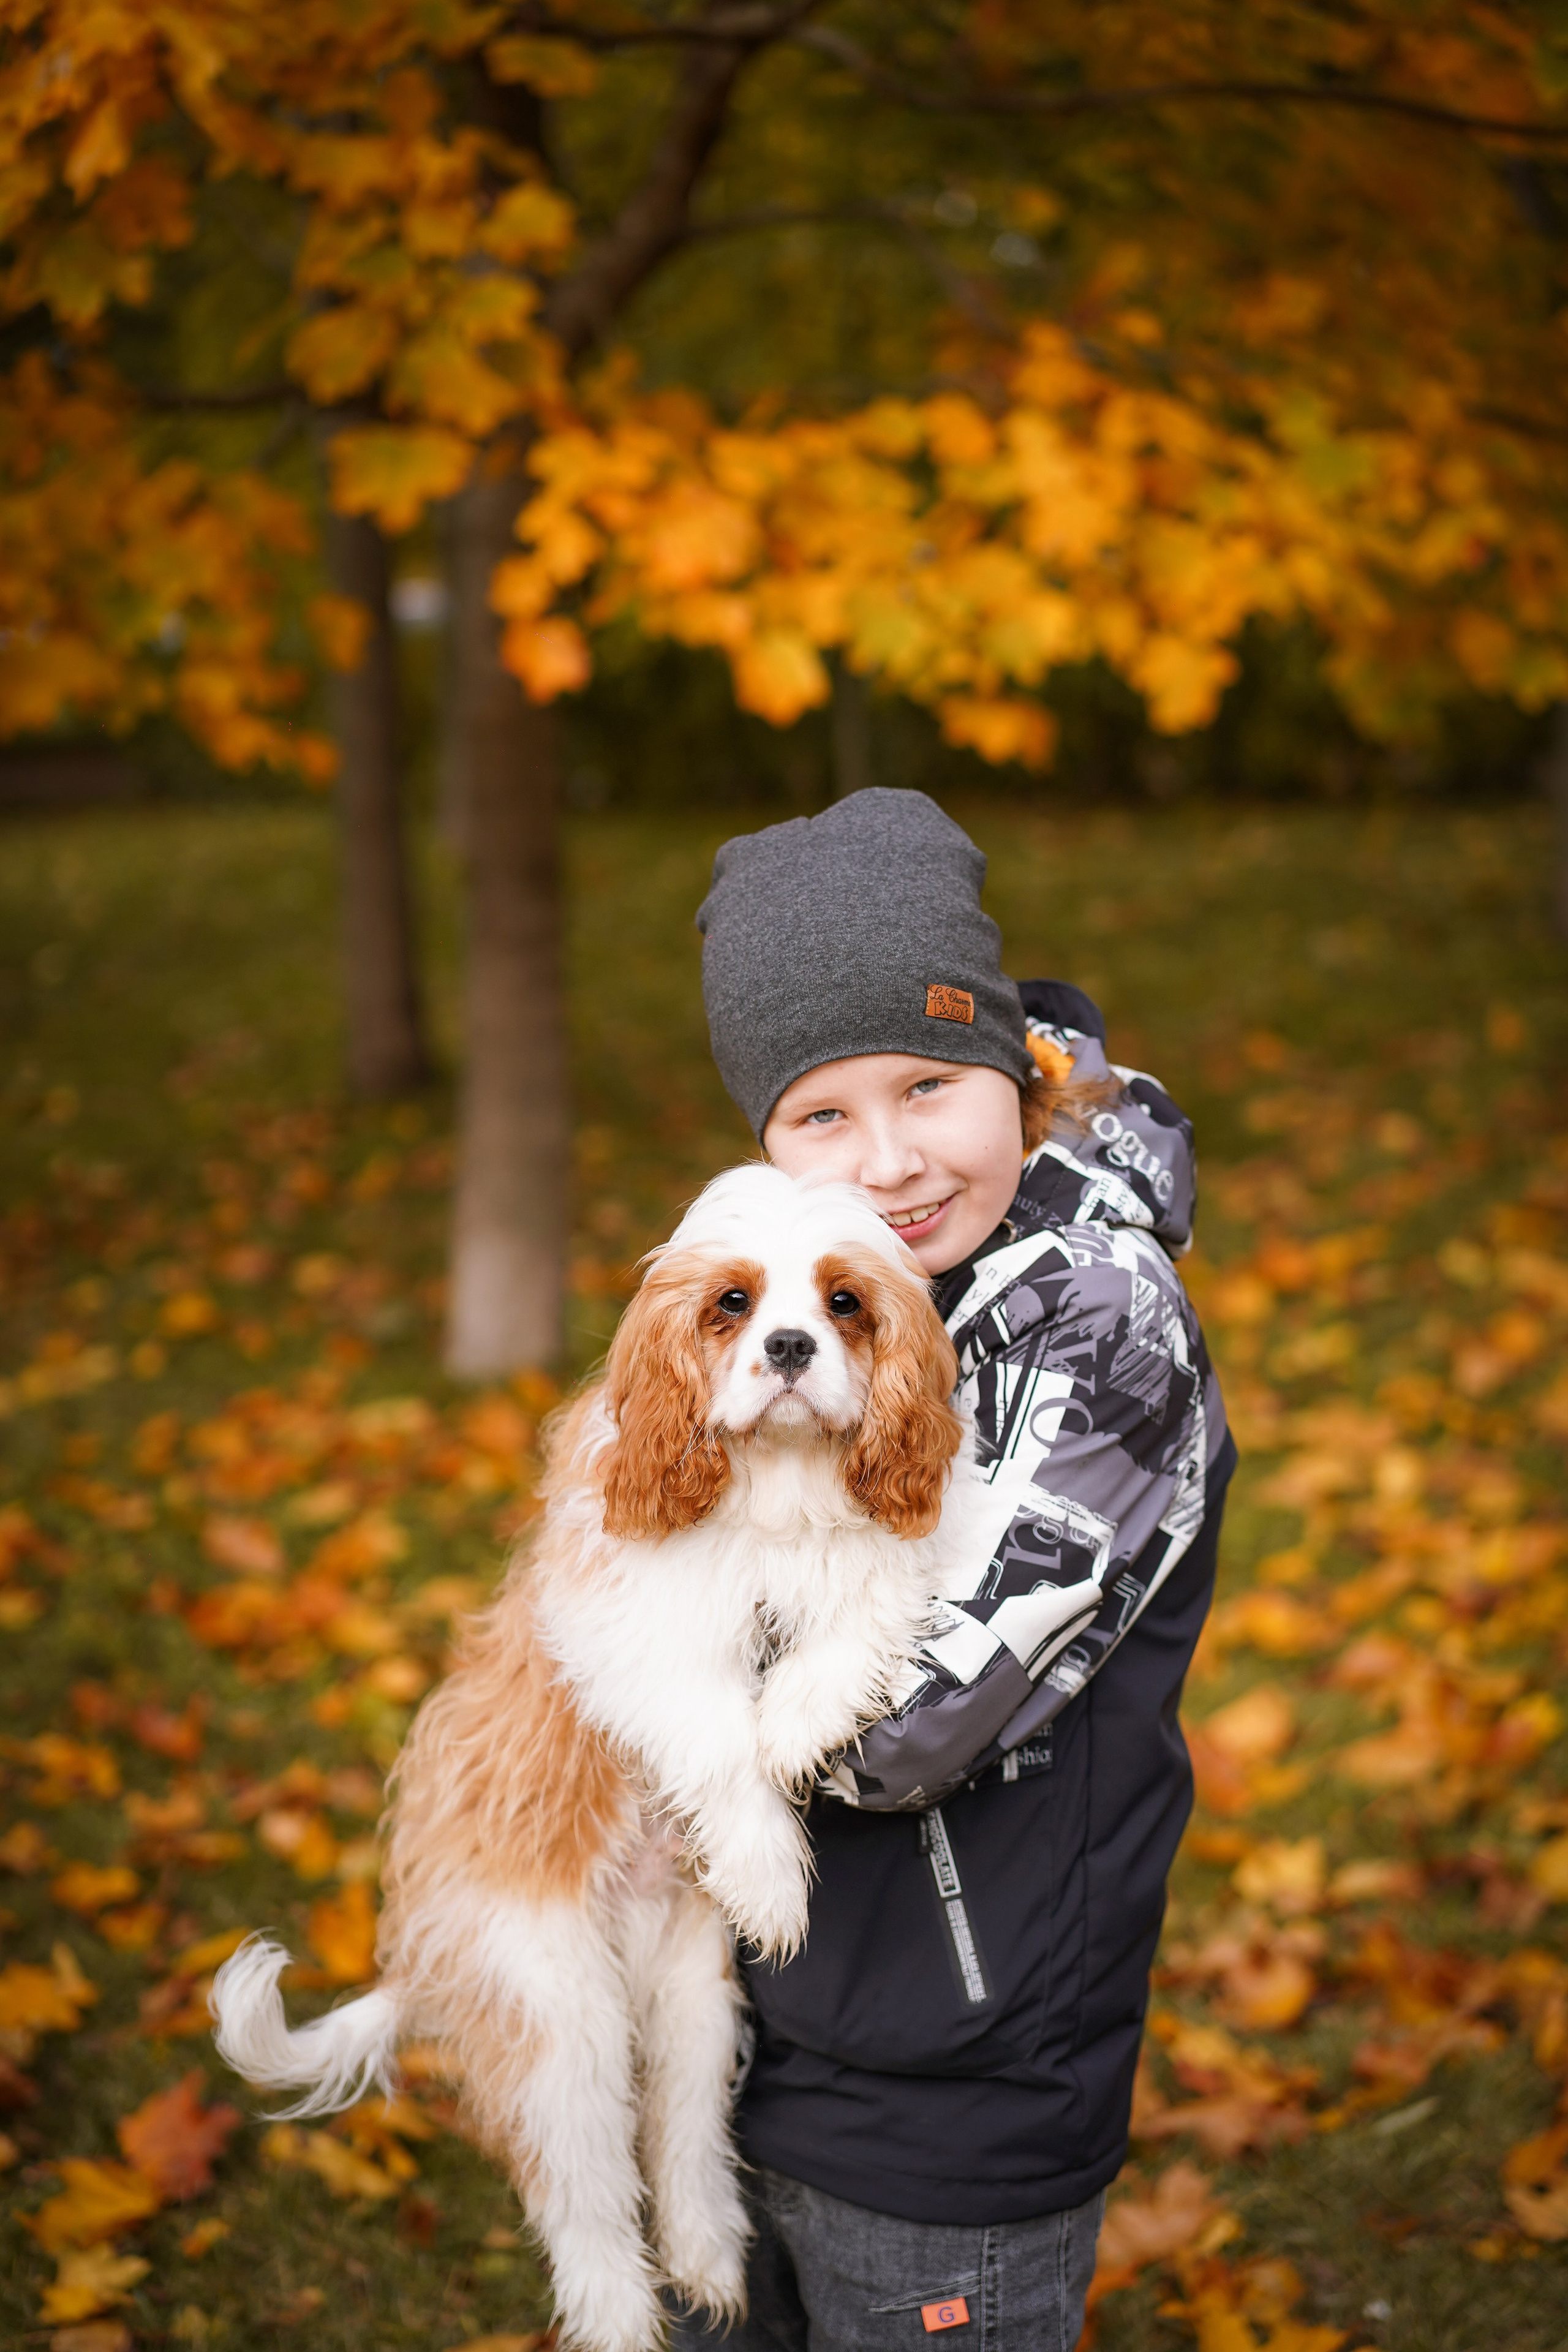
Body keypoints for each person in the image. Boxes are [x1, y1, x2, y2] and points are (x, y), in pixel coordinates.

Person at [670, 788, 1235, 2352]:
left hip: (956, 2091)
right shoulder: (823, 1291)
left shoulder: (1102, 1321)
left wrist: (654, 1713)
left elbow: (908, 1727)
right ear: (768, 1143)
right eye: (822, 1118)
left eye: (930, 1084)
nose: (892, 1162)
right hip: (746, 2028)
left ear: (1014, 1066)